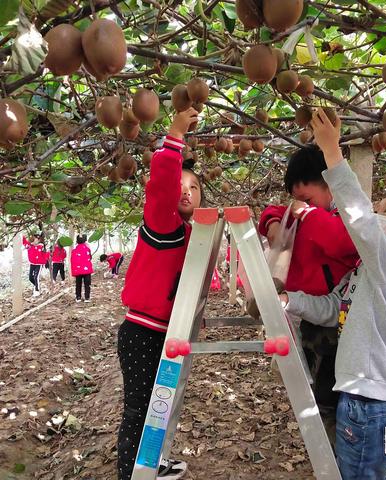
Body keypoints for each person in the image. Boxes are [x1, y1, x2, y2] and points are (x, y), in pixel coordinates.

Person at [279, 107, 386, 480]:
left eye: (385, 211)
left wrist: (333, 155)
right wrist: (291, 301)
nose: (374, 214)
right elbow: (333, 306)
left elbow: (362, 225)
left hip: (374, 404)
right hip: (361, 398)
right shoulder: (370, 270)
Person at [118, 108, 201, 480]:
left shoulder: (189, 236)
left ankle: (151, 463)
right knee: (139, 409)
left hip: (166, 333)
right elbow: (160, 188)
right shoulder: (162, 224)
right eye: (180, 186)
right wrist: (175, 136)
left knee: (159, 406)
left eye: (194, 187)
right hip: (143, 333)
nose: (185, 191)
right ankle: (129, 473)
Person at [258, 145, 359, 443]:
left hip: (334, 317)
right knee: (313, 372)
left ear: (330, 186)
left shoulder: (344, 219)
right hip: (307, 309)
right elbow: (275, 210)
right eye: (298, 199)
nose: (301, 205)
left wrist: (309, 214)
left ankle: (338, 441)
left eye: (308, 198)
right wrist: (274, 222)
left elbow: (341, 244)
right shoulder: (309, 212)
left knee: (331, 382)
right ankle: (326, 426)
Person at [70, 234, 93, 303]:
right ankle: (87, 298)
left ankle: (78, 297)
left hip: (78, 270)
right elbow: (90, 258)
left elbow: (72, 260)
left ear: (77, 241)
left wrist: (73, 271)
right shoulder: (87, 249)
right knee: (87, 284)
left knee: (78, 284)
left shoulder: (74, 250)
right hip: (87, 270)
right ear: (85, 241)